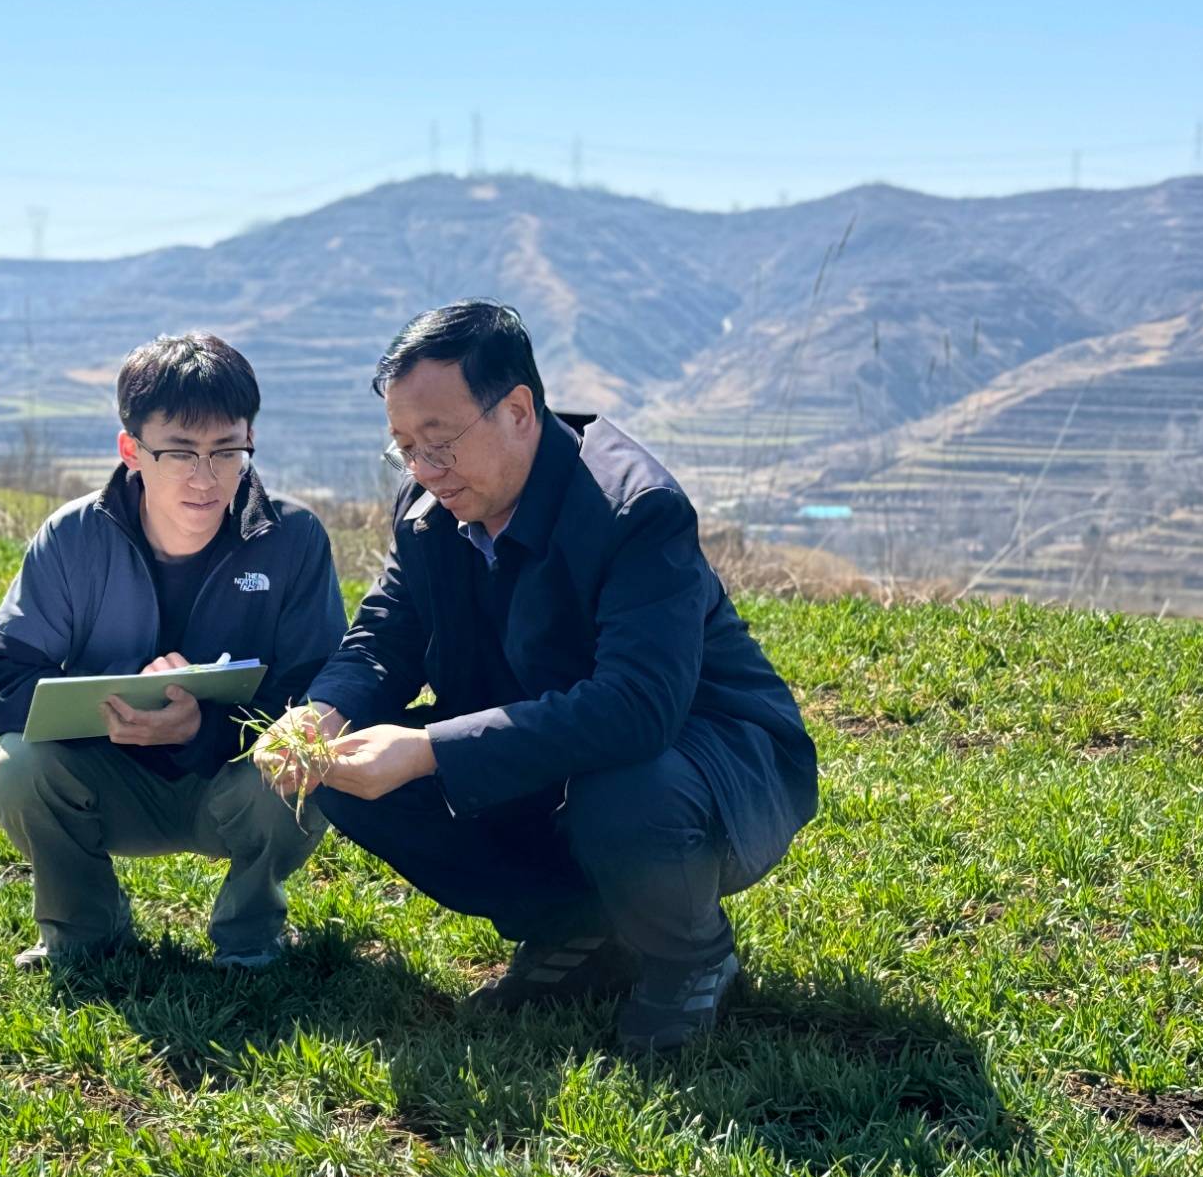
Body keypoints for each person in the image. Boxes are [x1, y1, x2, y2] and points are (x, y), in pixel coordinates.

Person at [256, 301, 818, 1052]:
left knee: (622, 788)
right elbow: (387, 637)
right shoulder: (430, 506)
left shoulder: (633, 509)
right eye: (404, 448)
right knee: (343, 768)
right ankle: (578, 935)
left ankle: (690, 956)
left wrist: (431, 751)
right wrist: (321, 716)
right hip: (543, 750)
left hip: (704, 763)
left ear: (518, 410)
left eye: (439, 442)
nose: (423, 469)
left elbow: (637, 709)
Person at [0, 332, 345, 969]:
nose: (207, 478)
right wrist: (121, 702)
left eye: (228, 451)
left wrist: (203, 727)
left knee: (307, 755)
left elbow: (320, 690)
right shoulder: (71, 537)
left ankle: (249, 934)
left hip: (235, 783)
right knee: (19, 768)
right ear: (132, 451)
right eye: (180, 453)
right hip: (109, 781)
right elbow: (0, 682)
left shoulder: (294, 538)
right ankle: (83, 933)